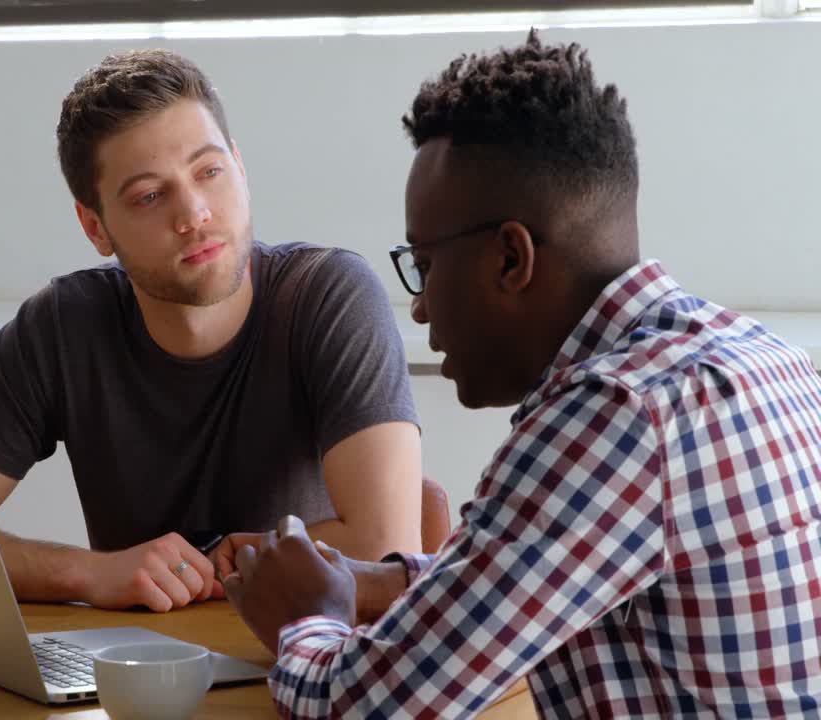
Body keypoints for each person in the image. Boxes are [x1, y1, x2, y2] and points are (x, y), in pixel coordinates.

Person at [224, 30, 821, 717]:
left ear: (511, 258)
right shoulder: (758, 357)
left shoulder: (614, 414)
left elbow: (360, 707)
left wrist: (305, 617)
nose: (417, 306)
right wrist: (372, 583)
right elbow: (541, 565)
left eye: (424, 263)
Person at [0, 49, 424, 613]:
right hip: (136, 678)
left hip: (299, 666)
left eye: (209, 172)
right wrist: (92, 574)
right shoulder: (62, 326)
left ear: (240, 167)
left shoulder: (330, 296)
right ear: (96, 227)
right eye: (149, 196)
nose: (194, 215)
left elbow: (387, 551)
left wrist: (225, 564)